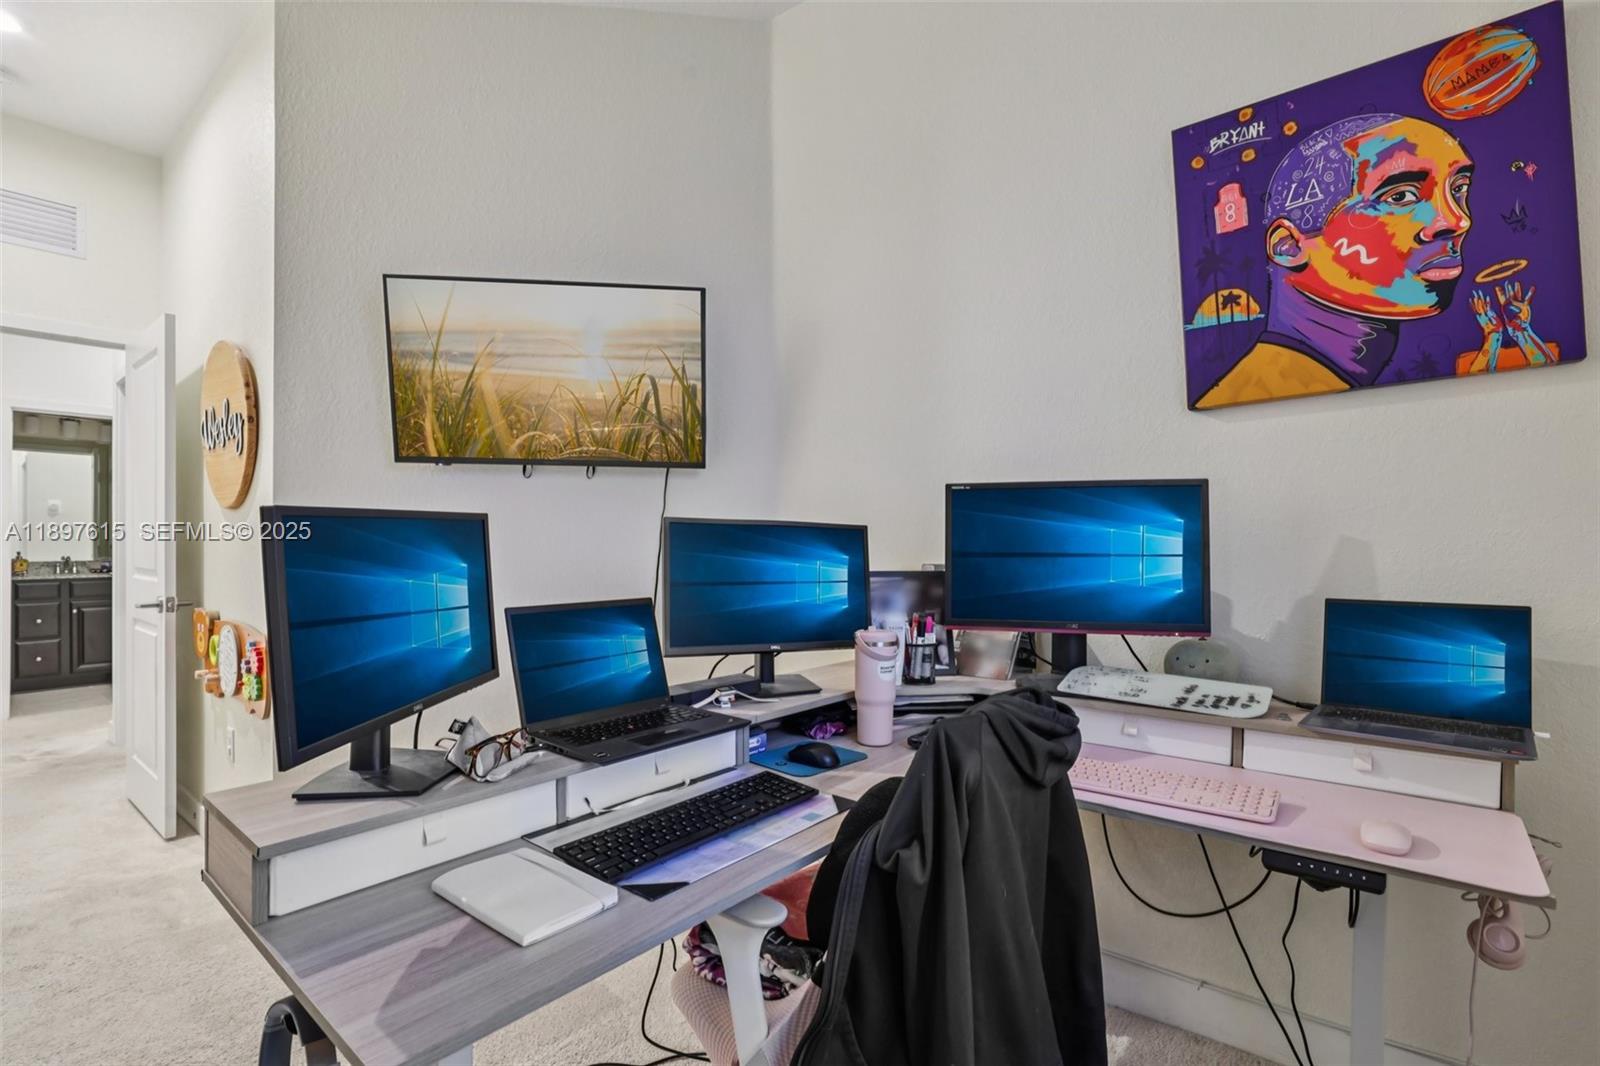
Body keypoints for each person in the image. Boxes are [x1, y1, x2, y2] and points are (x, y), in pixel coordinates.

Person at [1197, 113, 1475, 408]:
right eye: (1401, 196)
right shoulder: (1261, 394)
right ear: (1288, 246)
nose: (1458, 221)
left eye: (1458, 189)